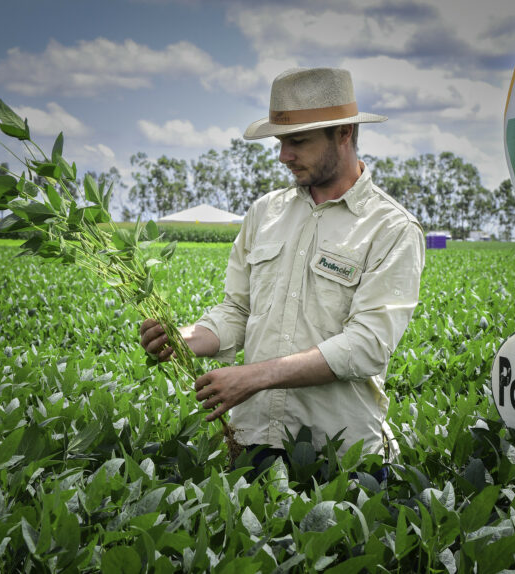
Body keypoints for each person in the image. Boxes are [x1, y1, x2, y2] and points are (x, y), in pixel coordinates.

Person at [140, 67, 424, 467]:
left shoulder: (391, 227)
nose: (283, 155)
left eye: (298, 142)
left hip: (340, 454)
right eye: (281, 141)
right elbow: (237, 311)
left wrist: (256, 376)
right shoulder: (264, 213)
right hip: (254, 441)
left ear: (344, 133)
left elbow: (367, 346)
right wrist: (183, 339)